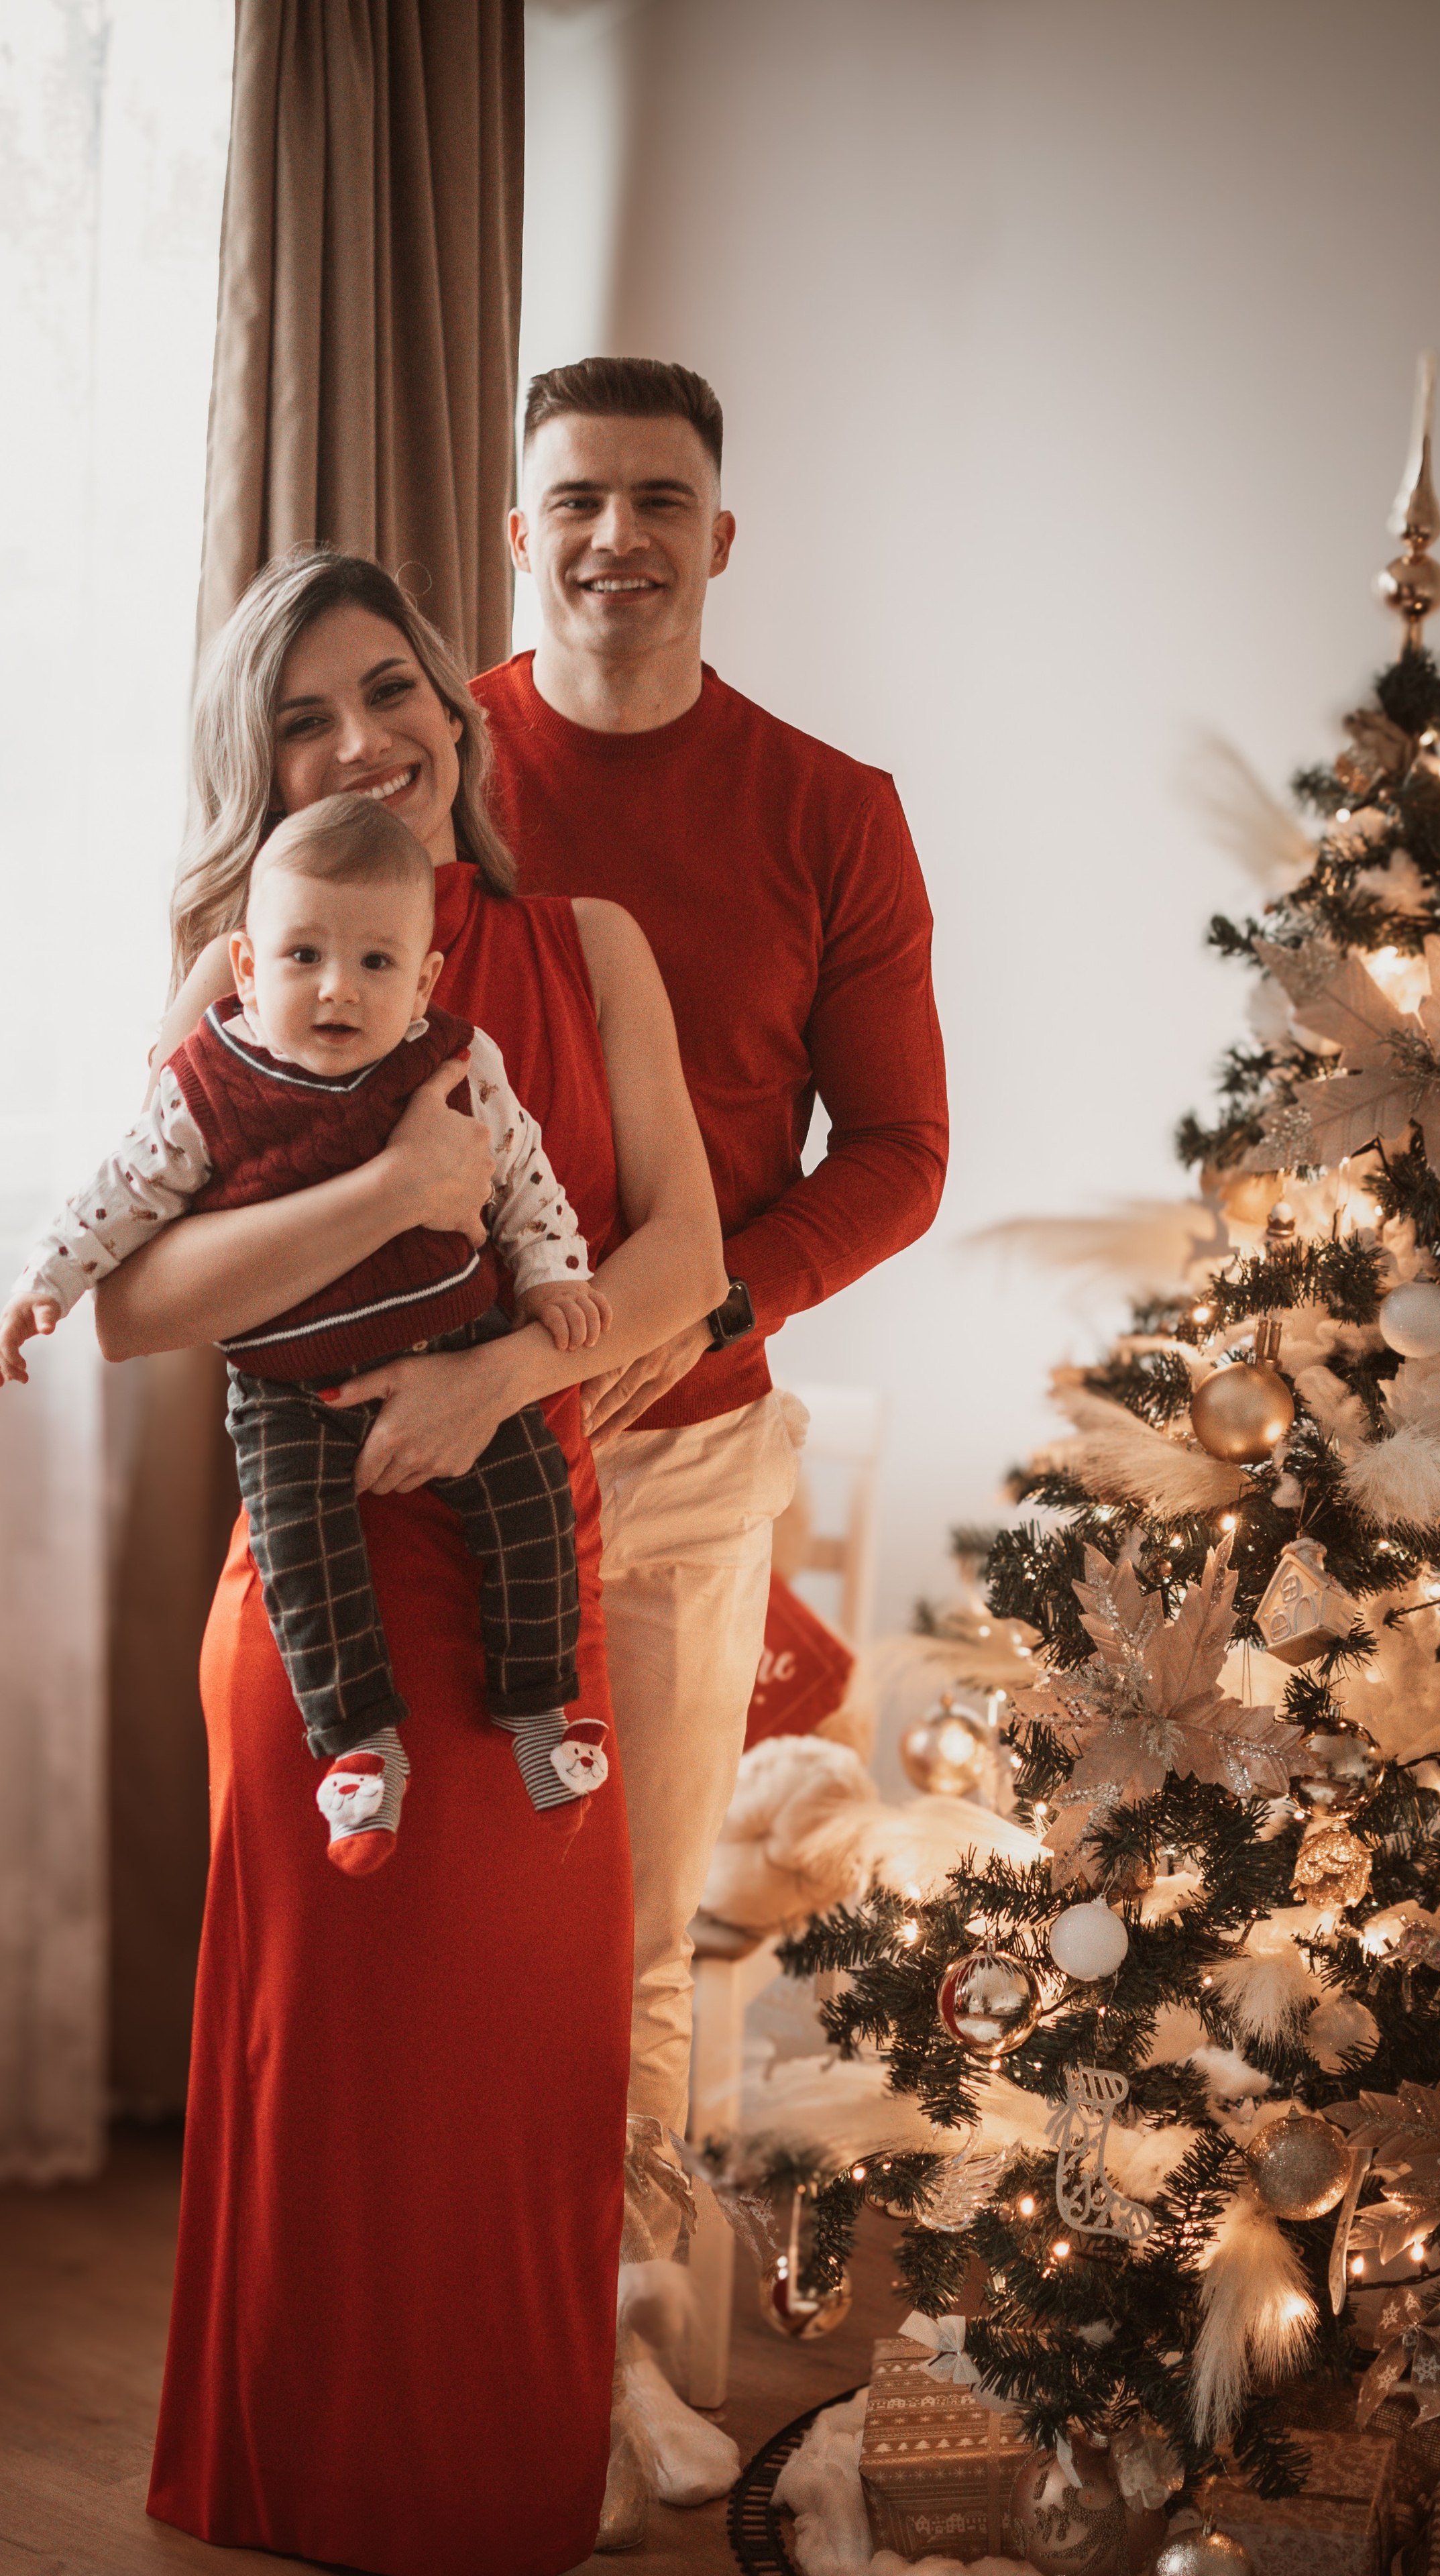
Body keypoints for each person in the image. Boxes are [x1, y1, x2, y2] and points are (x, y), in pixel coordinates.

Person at [99, 547, 726, 2575]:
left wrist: (486, 1377)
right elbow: (137, 1302)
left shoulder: (595, 946)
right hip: (315, 1589)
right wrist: (393, 1186)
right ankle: (301, 2483)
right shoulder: (236, 973)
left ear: (458, 718)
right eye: (304, 714)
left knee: (523, 2045)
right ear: (261, 767)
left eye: (392, 691)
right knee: (334, 2064)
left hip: (518, 1553)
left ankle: (486, 2487)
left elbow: (687, 1266)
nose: (363, 735)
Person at [476, 354, 948, 2151]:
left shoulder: (833, 811)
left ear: (721, 535)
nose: (619, 537)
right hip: (454, 1444)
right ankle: (468, 2337)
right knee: (462, 1924)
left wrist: (718, 1296)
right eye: (579, 501)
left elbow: (901, 1150)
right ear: (524, 536)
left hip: (692, 1447)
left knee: (649, 1940)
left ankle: (625, 2374)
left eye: (659, 500)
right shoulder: (433, 776)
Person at [0, 796, 612, 1872]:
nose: (338, 987)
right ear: (245, 964)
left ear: (422, 982)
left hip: (455, 1344)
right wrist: (44, 1282)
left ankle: (540, 1719)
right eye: (305, 954)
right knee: (302, 1554)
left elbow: (526, 1178)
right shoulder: (209, 1085)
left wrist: (555, 1277)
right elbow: (125, 1191)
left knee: (530, 1506)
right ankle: (361, 1753)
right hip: (289, 1389)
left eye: (377, 963)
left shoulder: (453, 1064)